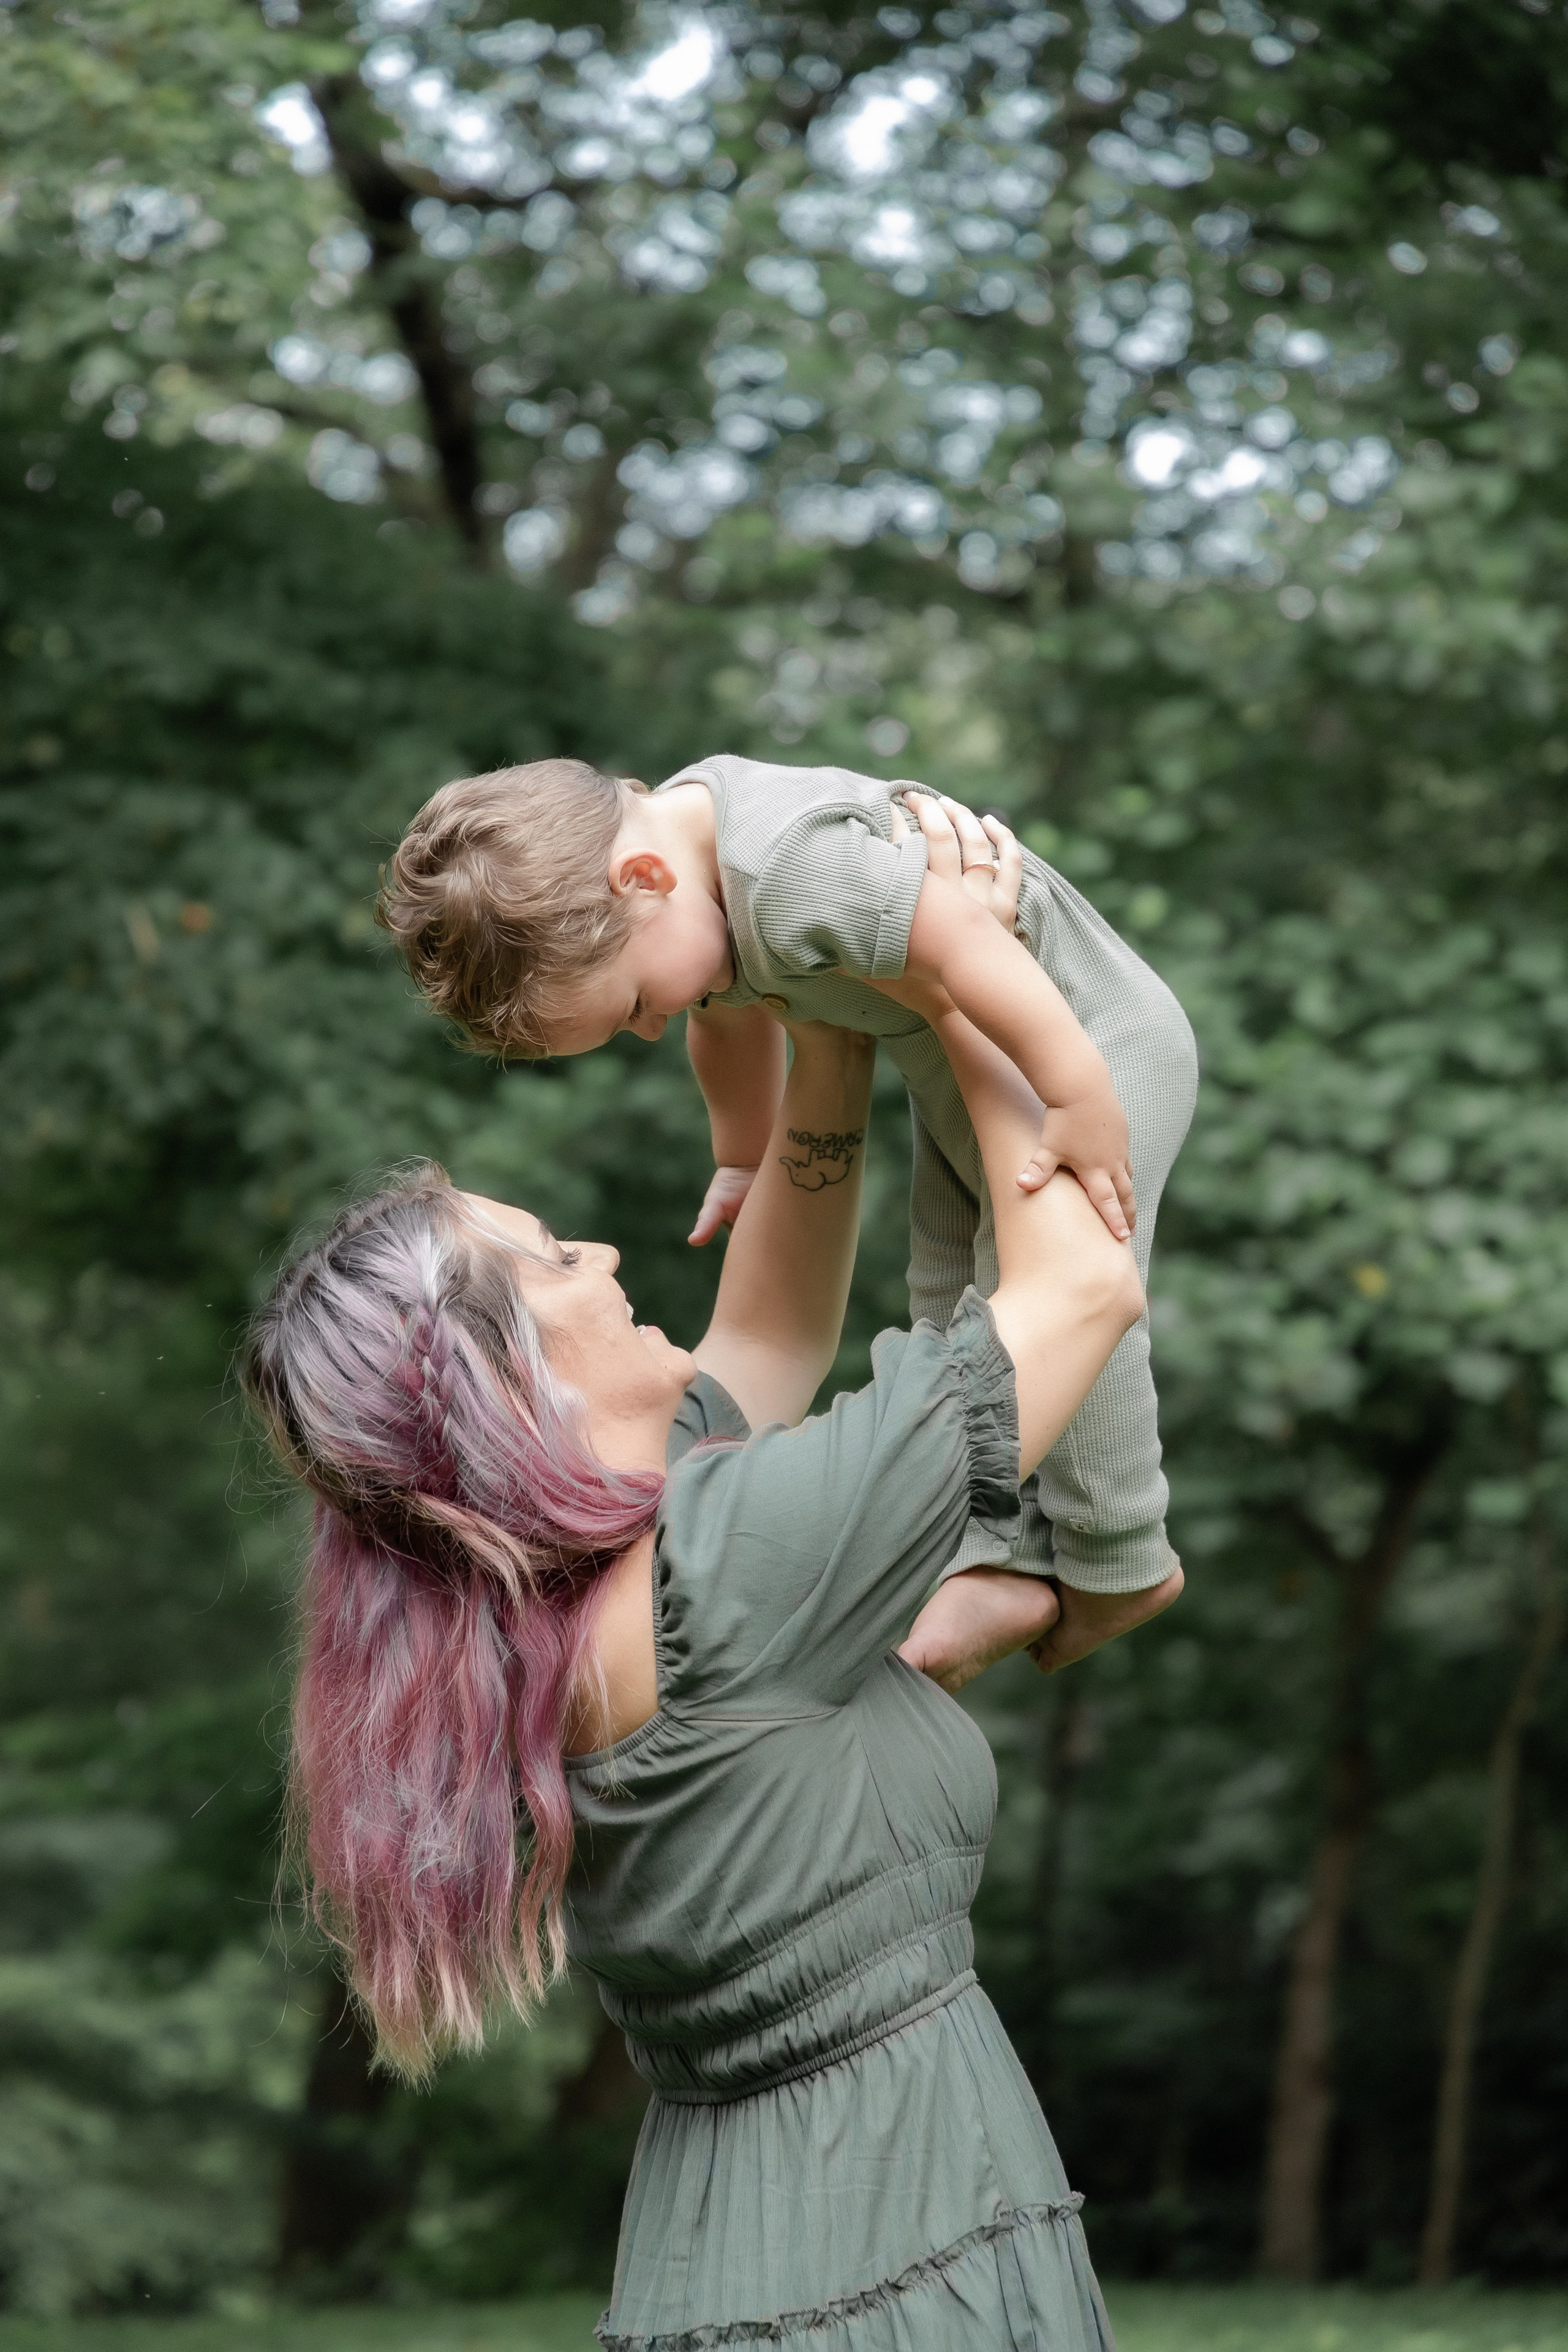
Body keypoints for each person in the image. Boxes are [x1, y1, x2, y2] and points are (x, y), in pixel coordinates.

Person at [243, 973, 1169, 2347]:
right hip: (892, 2225)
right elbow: (1081, 1282)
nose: (608, 1257)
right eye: (555, 1259)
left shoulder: (546, 1611)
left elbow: (771, 1332)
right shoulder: (727, 1565)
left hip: (737, 2242)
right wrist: (958, 981)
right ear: (510, 1389)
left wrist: (833, 1032)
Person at [378, 756, 1197, 1666]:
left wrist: (1079, 1093)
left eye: (638, 1005)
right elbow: (725, 1024)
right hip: (974, 1067)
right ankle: (997, 1552)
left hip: (1081, 1043)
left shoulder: (785, 870)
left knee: (1058, 1291)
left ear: (642, 882)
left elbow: (969, 941)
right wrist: (742, 1154)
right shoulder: (694, 899)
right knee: (946, 1286)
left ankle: (1119, 1556)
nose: (653, 1025)